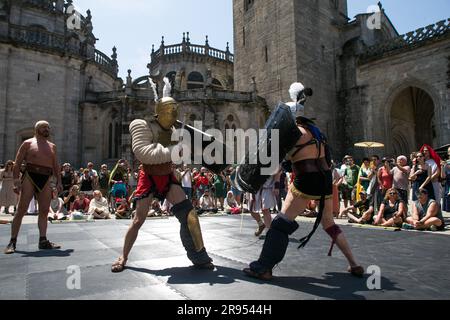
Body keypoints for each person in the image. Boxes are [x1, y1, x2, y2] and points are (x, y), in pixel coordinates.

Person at [243, 82, 363, 280]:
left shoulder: (292, 135)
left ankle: (263, 267)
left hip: (305, 182)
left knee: (280, 223)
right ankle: (354, 263)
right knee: (329, 223)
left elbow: (275, 162)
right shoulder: (317, 133)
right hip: (325, 181)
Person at [111, 77, 214, 272]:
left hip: (168, 177)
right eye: (169, 111)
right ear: (159, 112)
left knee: (190, 215)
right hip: (148, 177)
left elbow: (176, 157)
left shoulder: (176, 130)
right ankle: (123, 256)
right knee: (138, 220)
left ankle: (199, 256)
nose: (173, 114)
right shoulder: (142, 124)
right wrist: (177, 150)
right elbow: (144, 153)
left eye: (175, 111)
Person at [4, 121, 62, 254]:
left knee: (43, 211)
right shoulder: (28, 143)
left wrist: (58, 181)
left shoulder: (52, 146)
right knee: (21, 210)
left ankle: (43, 240)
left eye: (48, 127)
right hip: (30, 176)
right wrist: (16, 181)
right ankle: (12, 241)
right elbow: (17, 163)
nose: (47, 129)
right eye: (44, 127)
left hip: (46, 177)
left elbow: (55, 165)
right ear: (37, 130)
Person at [441, 147, 450, 212]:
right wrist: (442, 167)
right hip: (448, 185)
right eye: (449, 152)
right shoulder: (446, 163)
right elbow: (443, 176)